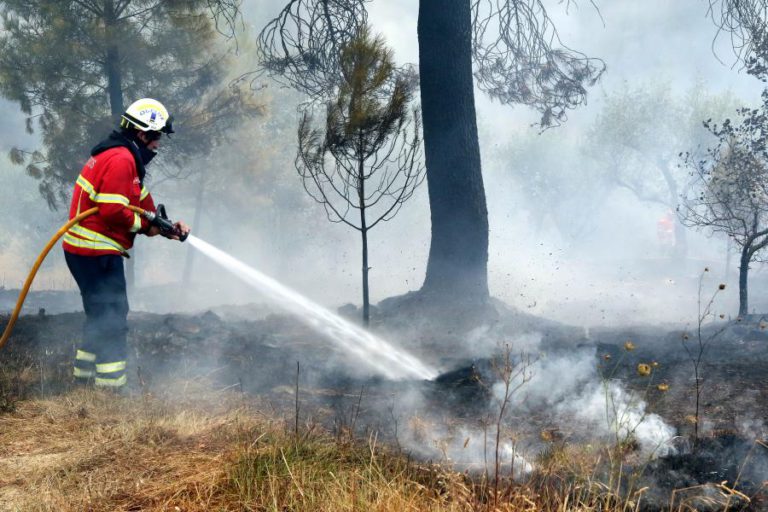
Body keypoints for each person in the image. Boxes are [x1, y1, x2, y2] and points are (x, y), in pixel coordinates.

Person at [63, 98, 190, 389]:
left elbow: (139, 200)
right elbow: (112, 212)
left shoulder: (123, 157)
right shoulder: (121, 159)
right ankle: (110, 390)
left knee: (99, 315)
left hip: (86, 250)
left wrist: (166, 226)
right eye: (156, 137)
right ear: (142, 133)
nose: (158, 145)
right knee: (112, 318)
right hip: (95, 251)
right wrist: (147, 226)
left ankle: (83, 383)